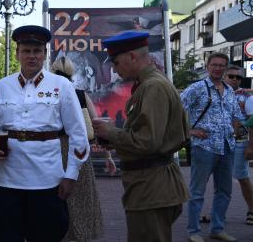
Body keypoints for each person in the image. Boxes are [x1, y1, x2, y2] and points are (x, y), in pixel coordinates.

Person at [0, 25, 90, 242]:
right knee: (0, 235)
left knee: (47, 236)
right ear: (18, 53)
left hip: (47, 181)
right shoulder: (3, 86)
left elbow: (78, 134)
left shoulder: (62, 86)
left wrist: (71, 175)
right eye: (26, 51)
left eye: (37, 51)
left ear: (45, 54)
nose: (32, 56)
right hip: (7, 182)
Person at [92, 31, 189, 242]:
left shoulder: (153, 87)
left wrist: (113, 133)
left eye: (116, 62)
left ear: (132, 57)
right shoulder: (150, 84)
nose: (115, 70)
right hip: (151, 185)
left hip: (151, 187)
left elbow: (148, 142)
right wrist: (116, 140)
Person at [181, 53, 243, 242]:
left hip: (227, 147)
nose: (218, 68)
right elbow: (175, 109)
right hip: (204, 147)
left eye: (222, 66)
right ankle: (193, 231)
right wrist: (190, 131)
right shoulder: (197, 88)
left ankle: (217, 228)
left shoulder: (230, 91)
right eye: (214, 65)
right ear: (207, 66)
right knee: (197, 191)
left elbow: (237, 116)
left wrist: (237, 132)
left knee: (224, 191)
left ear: (225, 69)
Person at [50, 56, 104, 241]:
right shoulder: (80, 93)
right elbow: (96, 122)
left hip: (54, 149)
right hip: (79, 149)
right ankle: (81, 234)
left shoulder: (50, 92)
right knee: (81, 196)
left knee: (56, 195)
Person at [225, 65, 253, 226]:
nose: (235, 79)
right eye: (231, 76)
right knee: (220, 178)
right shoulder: (218, 92)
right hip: (220, 141)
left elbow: (252, 122)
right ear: (224, 76)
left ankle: (252, 210)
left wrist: (251, 146)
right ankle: (215, 212)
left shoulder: (246, 96)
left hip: (240, 141)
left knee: (242, 176)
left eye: (238, 77)